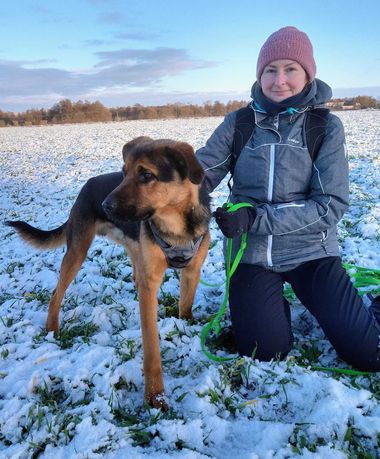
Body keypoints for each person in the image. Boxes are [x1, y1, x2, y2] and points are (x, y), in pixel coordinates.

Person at [195, 26, 380, 371]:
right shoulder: (239, 123)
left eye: (290, 69)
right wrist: (153, 183)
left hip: (312, 254)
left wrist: (254, 218)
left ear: (308, 74)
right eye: (270, 70)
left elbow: (331, 204)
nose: (279, 80)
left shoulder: (324, 126)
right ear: (259, 75)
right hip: (250, 256)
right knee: (265, 353)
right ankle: (265, 313)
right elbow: (201, 173)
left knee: (368, 354)